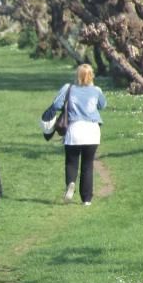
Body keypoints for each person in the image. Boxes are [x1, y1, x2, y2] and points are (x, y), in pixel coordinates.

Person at [47, 64, 107, 206]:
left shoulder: (69, 88)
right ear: (91, 76)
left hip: (75, 129)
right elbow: (102, 105)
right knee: (88, 165)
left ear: (77, 75)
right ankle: (86, 199)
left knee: (71, 161)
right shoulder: (96, 90)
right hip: (92, 131)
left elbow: (56, 105)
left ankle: (71, 183)